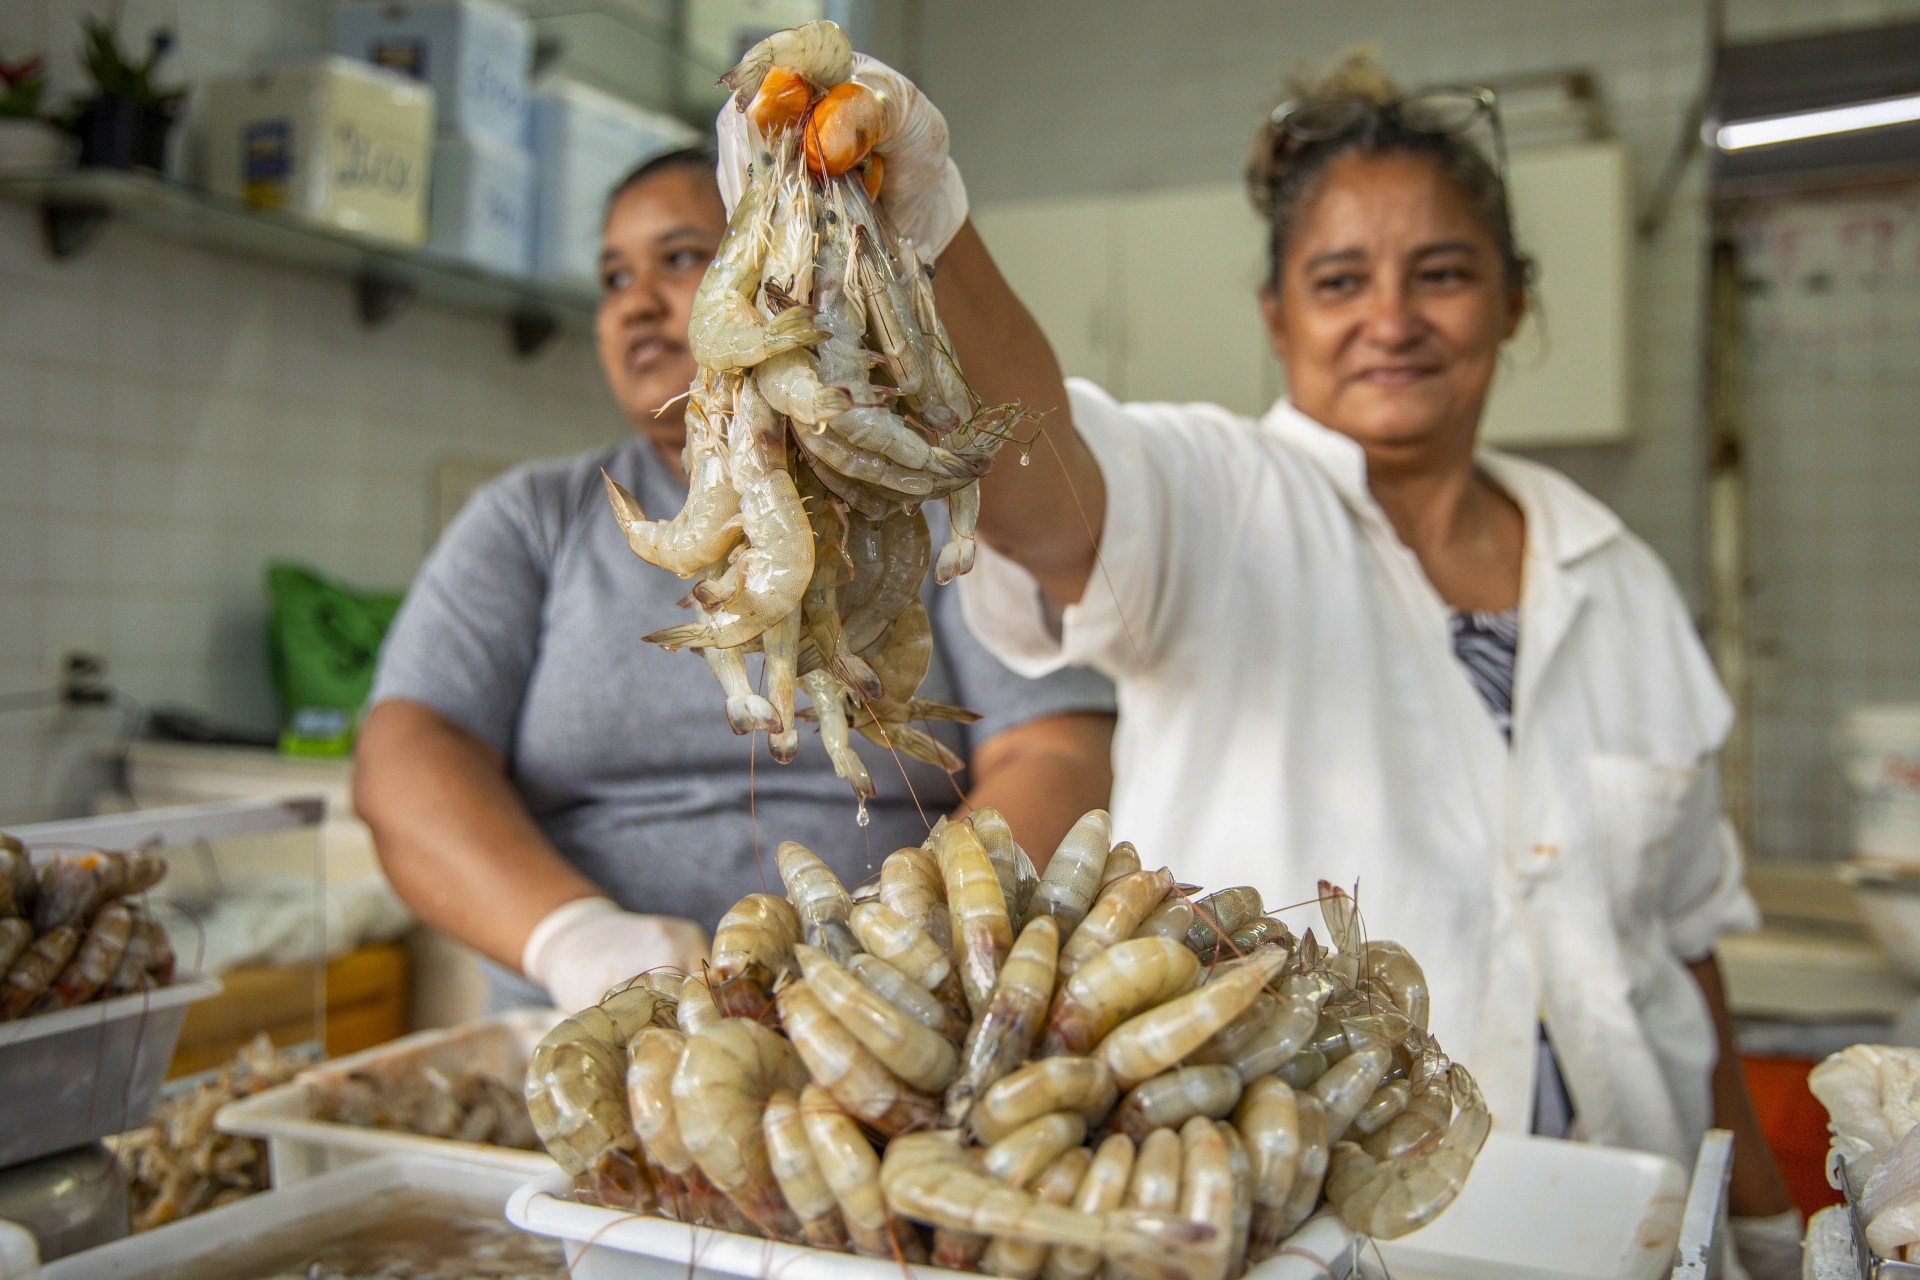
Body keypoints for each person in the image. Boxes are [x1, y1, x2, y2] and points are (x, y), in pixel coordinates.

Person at [712, 49, 1801, 1278]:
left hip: (1630, 1226)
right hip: (1298, 1235)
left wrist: (1757, 1229)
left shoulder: (1624, 578)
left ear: (1514, 300)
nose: (1391, 317)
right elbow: (1047, 484)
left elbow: (1687, 949)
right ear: (1279, 316)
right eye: (1340, 280)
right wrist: (928, 230)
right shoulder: (1225, 499)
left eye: (1441, 274)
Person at [353, 148, 1118, 1017]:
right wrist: (575, 939)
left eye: (681, 258)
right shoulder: (533, 517)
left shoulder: (925, 501)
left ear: (783, 270)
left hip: (887, 1006)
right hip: (587, 1016)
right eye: (612, 276)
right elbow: (405, 756)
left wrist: (914, 944)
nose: (636, 301)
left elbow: (1057, 748)